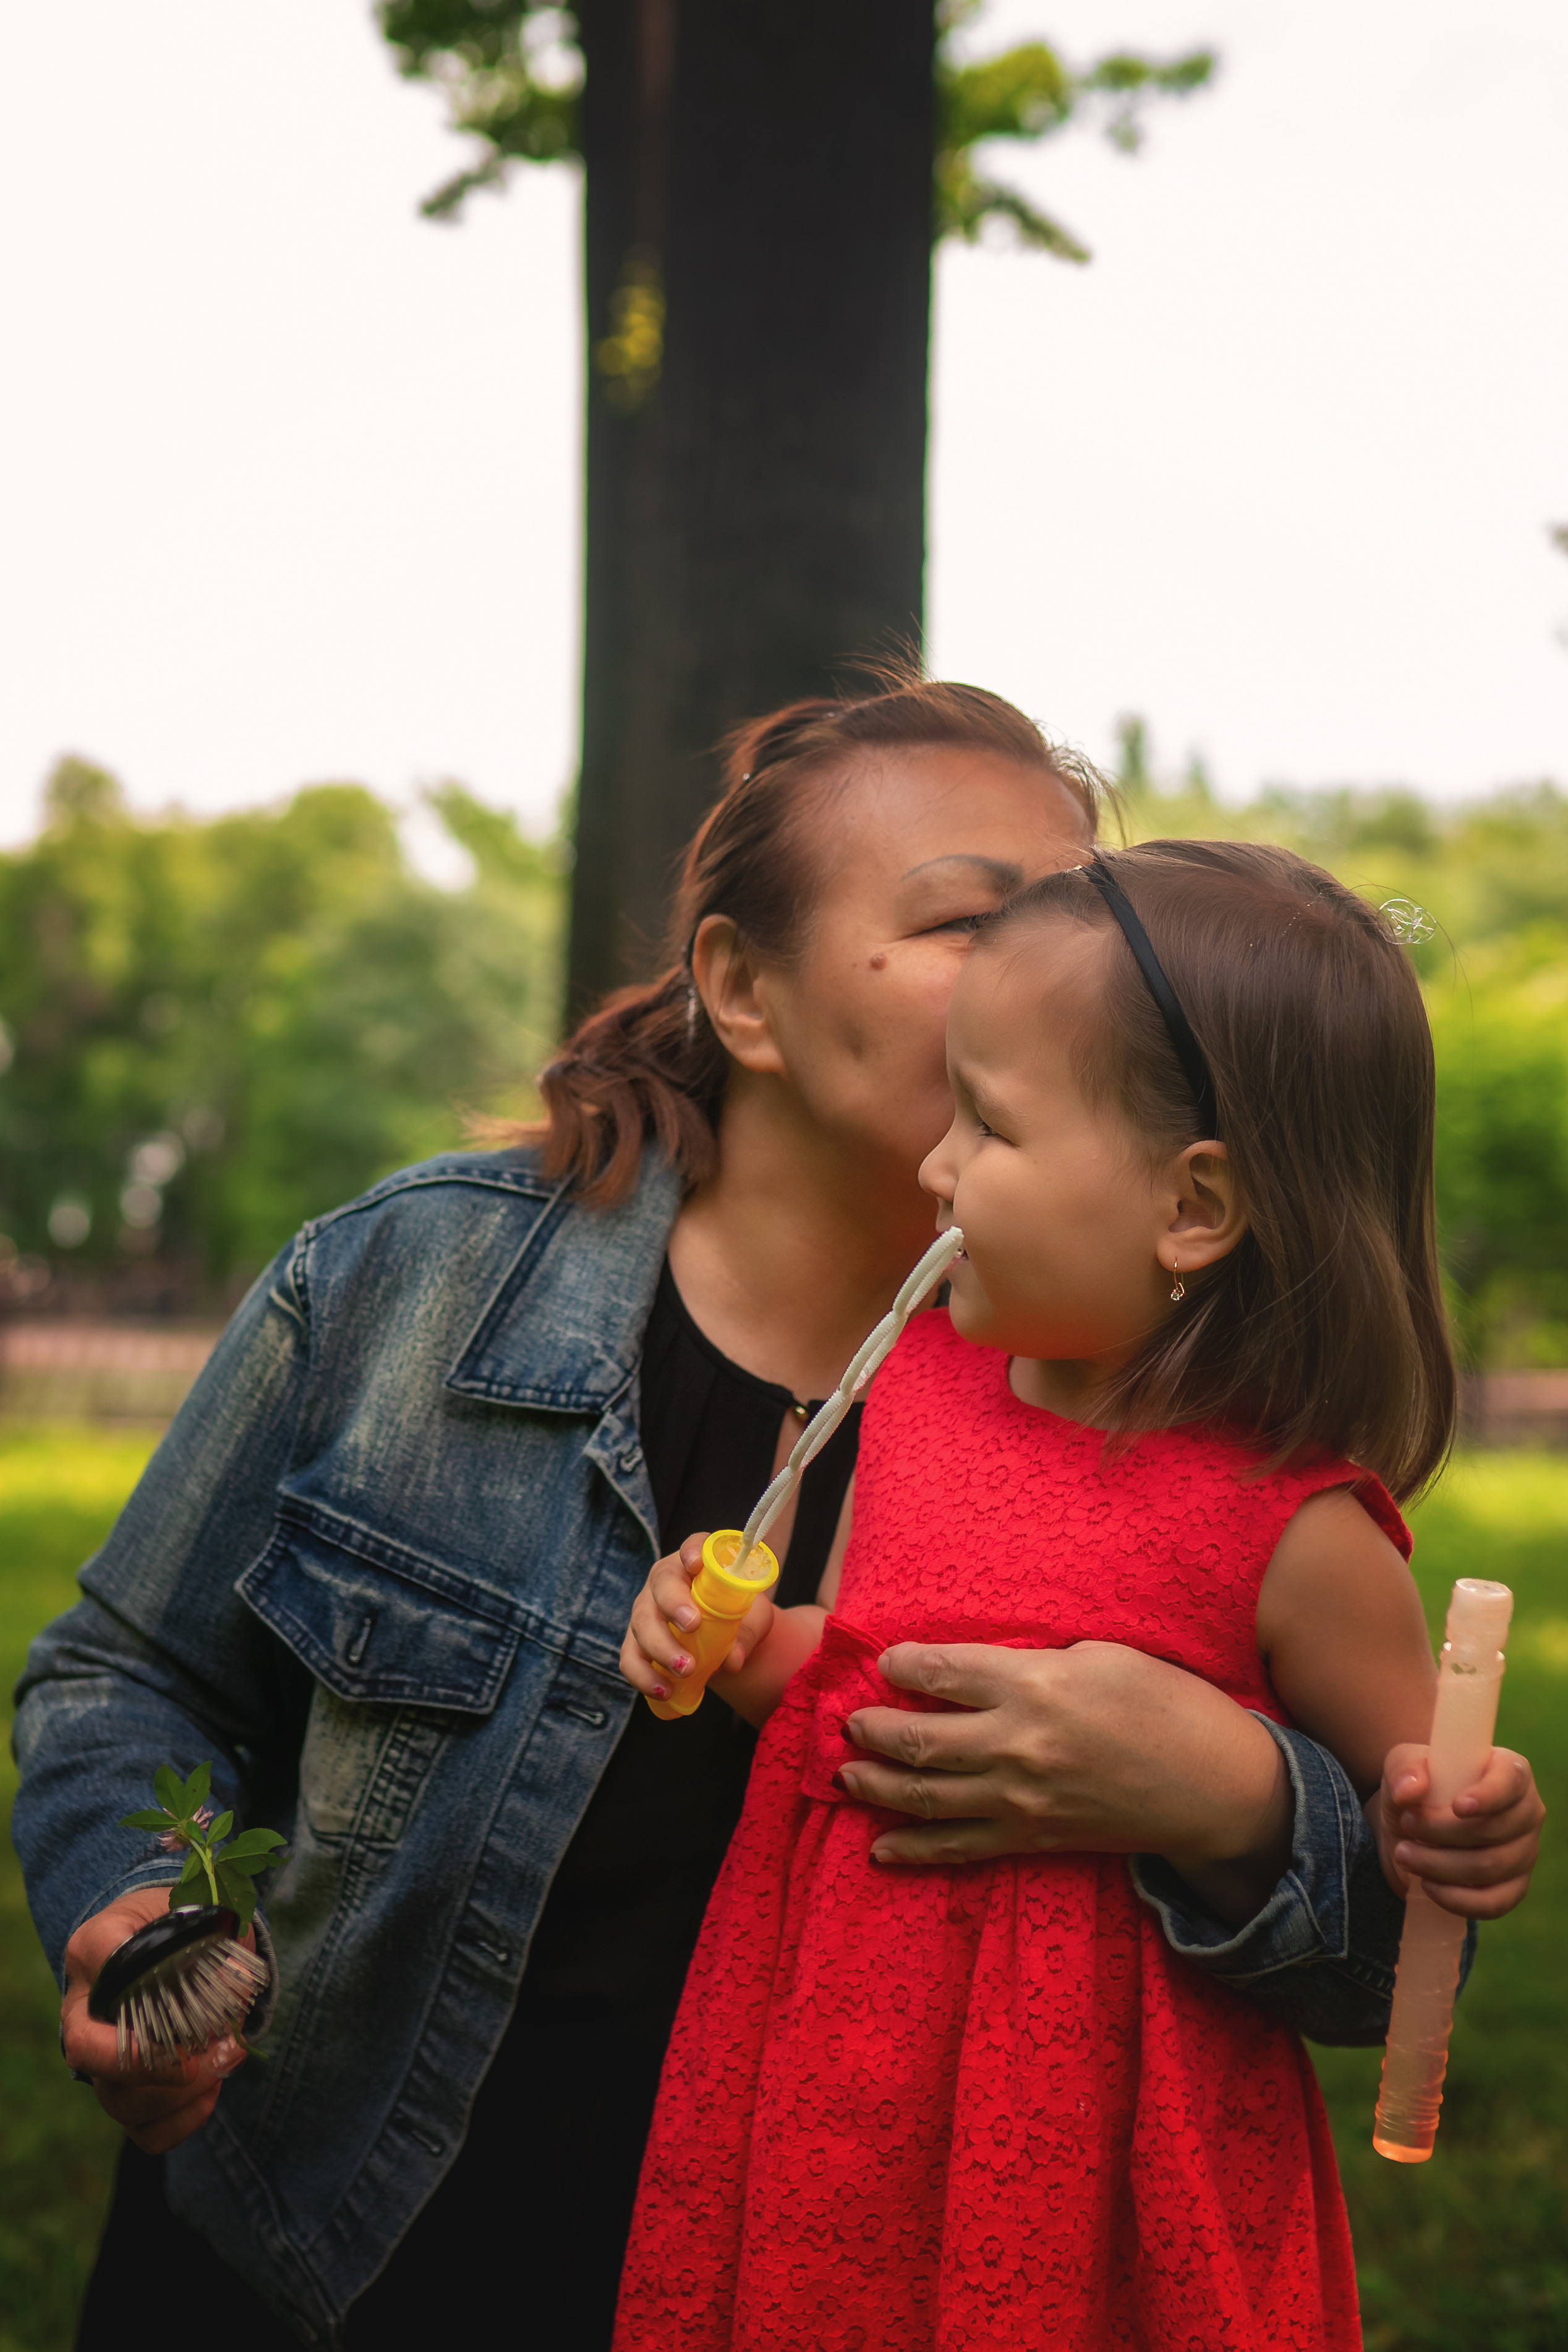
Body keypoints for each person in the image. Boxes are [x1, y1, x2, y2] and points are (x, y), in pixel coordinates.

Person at [12, 686, 1541, 2352]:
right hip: (331, 2260)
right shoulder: (416, 1281)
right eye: (979, 917)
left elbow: (1397, 1972)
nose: (1060, 964)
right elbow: (122, 1669)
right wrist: (135, 1908)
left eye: (1082, 916)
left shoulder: (1162, 1432)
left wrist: (1234, 1797)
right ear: (743, 988)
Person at [615, 841, 1539, 2350]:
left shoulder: (1288, 1526)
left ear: (1193, 1206)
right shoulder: (920, 1381)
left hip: (1093, 2133)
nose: (934, 1165)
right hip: (833, 2059)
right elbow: (851, 1677)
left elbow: (1401, 1830)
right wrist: (730, 1646)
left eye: (987, 1124)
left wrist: (1459, 1816)